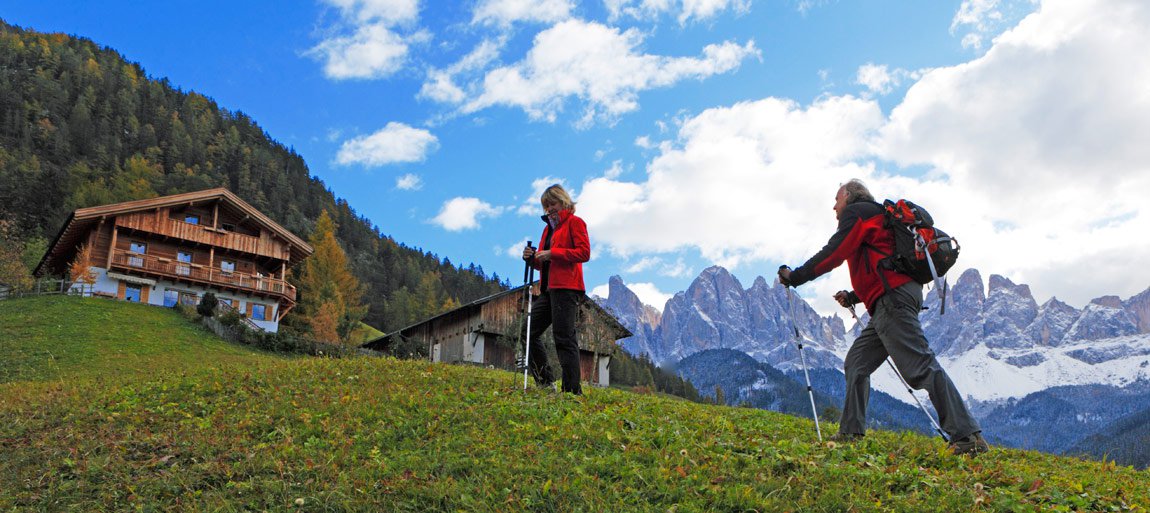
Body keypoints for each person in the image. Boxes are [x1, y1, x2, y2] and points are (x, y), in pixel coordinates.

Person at [777, 179, 989, 456]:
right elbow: (884, 265)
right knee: (857, 363)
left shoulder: (859, 212)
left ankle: (967, 437)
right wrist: (854, 296)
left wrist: (798, 276)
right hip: (889, 299)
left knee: (919, 366)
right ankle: (851, 432)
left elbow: (836, 251)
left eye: (837, 200)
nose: (834, 207)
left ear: (850, 197)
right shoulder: (878, 218)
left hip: (892, 301)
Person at [521, 184, 591, 395]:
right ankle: (545, 383)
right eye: (546, 206)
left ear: (563, 202)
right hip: (548, 289)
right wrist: (532, 258)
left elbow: (583, 253)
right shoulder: (548, 229)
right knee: (528, 332)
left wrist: (553, 253)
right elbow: (544, 263)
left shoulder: (575, 223)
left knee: (563, 337)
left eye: (553, 204)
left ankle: (571, 392)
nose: (549, 209)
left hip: (567, 288)